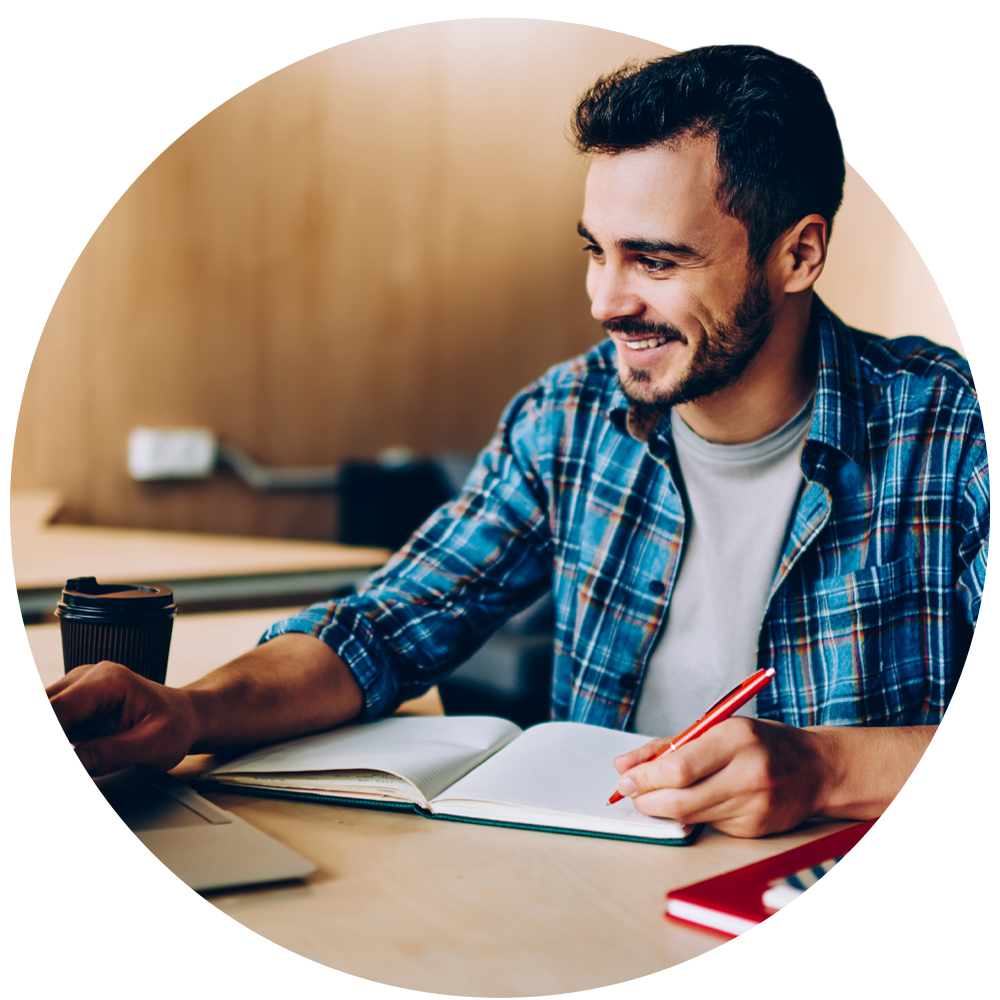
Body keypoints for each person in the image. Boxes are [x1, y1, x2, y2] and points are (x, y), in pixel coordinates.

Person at [46, 45, 988, 838]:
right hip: (589, 889)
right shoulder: (568, 418)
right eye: (596, 249)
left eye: (655, 261)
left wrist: (822, 769)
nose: (605, 301)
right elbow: (383, 627)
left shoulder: (953, 431)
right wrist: (188, 712)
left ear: (799, 253)